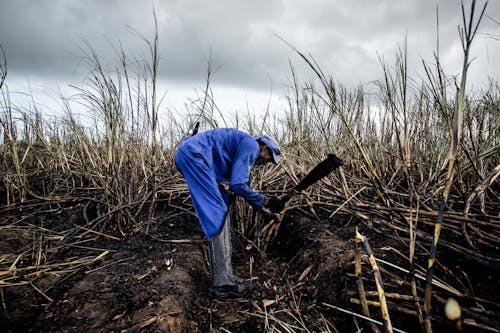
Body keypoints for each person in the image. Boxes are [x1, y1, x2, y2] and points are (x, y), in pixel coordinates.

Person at [174, 127, 285, 298]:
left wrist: (264, 210)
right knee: (217, 210)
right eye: (269, 158)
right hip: (194, 156)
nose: (265, 163)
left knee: (223, 199)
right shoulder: (251, 146)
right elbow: (238, 186)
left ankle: (226, 276)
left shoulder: (244, 144)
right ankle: (223, 283)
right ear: (264, 148)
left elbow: (239, 187)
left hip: (188, 153)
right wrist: (267, 200)